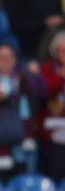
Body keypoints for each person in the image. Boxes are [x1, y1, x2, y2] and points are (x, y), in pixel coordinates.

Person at [0, 43, 46, 183]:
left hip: (22, 139)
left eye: (9, 57)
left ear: (15, 60)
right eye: (2, 58)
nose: (5, 61)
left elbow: (41, 95)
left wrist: (36, 76)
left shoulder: (24, 79)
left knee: (23, 181)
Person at [39, 32, 65, 181]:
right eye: (62, 50)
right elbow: (44, 92)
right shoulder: (47, 69)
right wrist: (62, 76)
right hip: (53, 134)